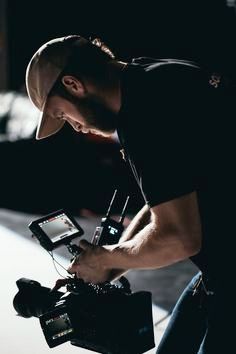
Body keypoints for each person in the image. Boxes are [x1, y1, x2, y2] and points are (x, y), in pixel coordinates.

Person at [25, 35, 235, 353]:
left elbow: (179, 238)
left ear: (72, 84)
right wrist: (112, 262)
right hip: (220, 269)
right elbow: (165, 204)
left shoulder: (144, 116)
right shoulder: (154, 76)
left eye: (62, 115)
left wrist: (106, 257)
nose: (75, 127)